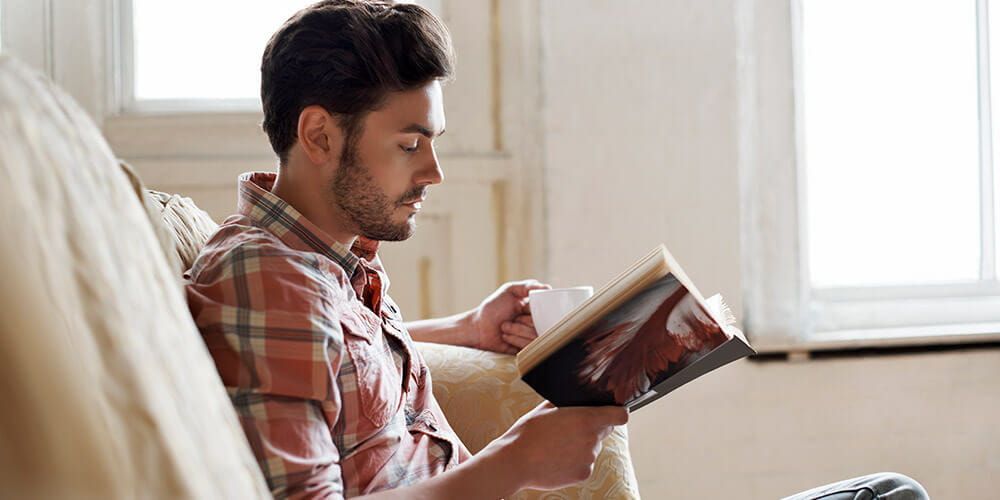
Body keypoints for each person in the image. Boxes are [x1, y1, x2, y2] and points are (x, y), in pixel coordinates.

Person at [185, 1, 929, 498]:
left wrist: (462, 331)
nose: (433, 172)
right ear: (318, 135)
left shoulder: (321, 266)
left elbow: (328, 360)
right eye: (409, 144)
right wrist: (514, 464)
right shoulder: (265, 279)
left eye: (433, 143)